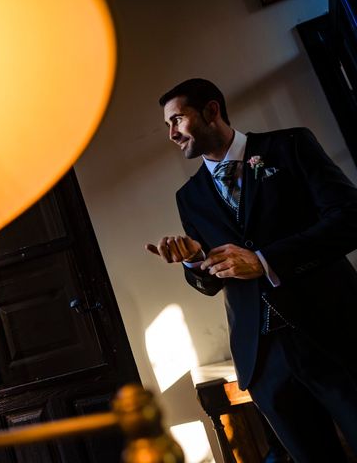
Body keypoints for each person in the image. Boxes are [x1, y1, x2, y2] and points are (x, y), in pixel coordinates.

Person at [146, 78, 357, 462]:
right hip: (263, 360)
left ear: (211, 111)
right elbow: (210, 282)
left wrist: (264, 260)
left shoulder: (290, 146)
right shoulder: (189, 197)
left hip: (333, 333)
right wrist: (194, 259)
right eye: (167, 126)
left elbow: (349, 217)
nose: (172, 134)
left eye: (177, 120)